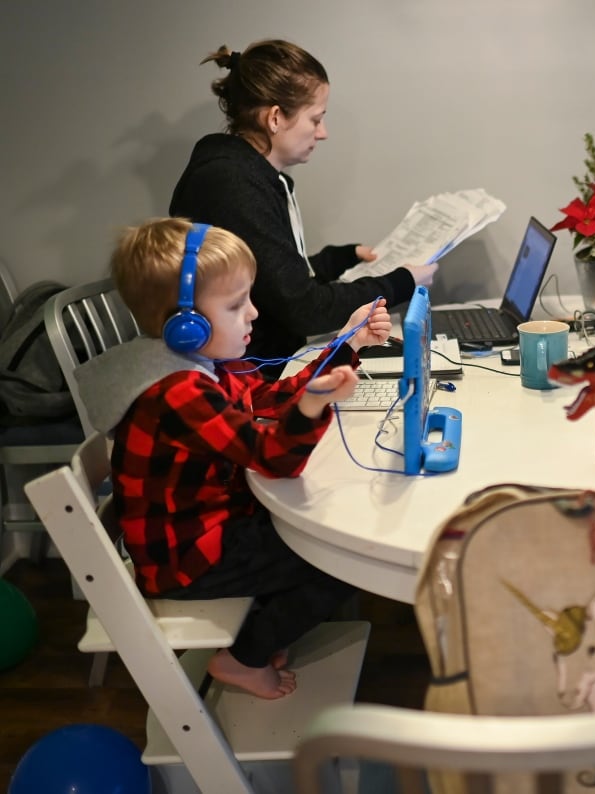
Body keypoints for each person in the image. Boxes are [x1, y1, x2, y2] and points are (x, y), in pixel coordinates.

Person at [74, 217, 392, 699]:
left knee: (320, 541)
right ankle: (243, 660)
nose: (254, 314)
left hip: (210, 529)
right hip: (190, 558)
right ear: (187, 325)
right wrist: (312, 407)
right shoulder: (178, 390)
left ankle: (263, 636)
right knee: (339, 562)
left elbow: (266, 398)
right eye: (236, 304)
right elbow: (275, 458)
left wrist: (346, 346)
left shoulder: (199, 364)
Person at [170, 38, 435, 373]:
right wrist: (401, 282)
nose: (322, 133)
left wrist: (338, 258)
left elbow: (271, 278)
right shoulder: (231, 183)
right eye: (315, 119)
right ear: (276, 118)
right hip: (253, 377)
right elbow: (303, 308)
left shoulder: (248, 175)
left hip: (267, 359)